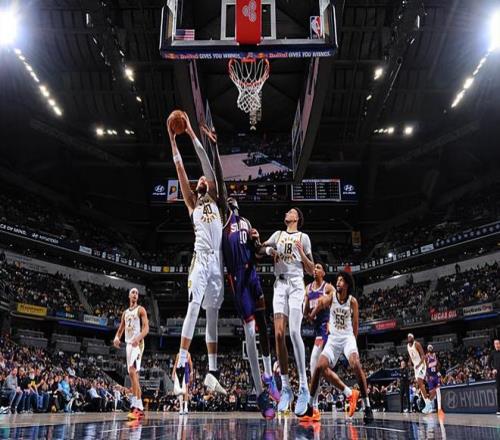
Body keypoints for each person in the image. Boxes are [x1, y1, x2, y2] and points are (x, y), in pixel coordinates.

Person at [201, 123, 277, 419]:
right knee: (250, 335)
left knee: (264, 323)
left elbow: (256, 251)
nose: (231, 199)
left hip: (253, 274)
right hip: (238, 279)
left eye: (233, 199)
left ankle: (270, 375)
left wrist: (264, 247)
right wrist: (215, 147)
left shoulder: (246, 223)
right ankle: (260, 394)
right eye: (227, 198)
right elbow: (220, 182)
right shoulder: (224, 219)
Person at [167, 112, 226, 396]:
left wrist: (191, 132)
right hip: (200, 259)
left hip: (218, 261)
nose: (201, 178)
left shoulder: (216, 198)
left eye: (204, 178)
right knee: (194, 306)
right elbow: (180, 169)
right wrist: (172, 140)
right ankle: (180, 366)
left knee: (213, 313)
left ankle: (212, 373)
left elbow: (205, 162)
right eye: (199, 179)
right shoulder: (192, 203)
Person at [259, 207, 314, 416]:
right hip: (280, 285)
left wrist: (302, 254)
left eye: (291, 212)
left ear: (297, 218)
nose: (287, 213)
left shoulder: (303, 237)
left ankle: (303, 386)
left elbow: (311, 269)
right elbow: (259, 249)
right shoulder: (278, 235)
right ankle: (286, 388)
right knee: (279, 334)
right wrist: (269, 251)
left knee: (294, 332)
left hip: (297, 284)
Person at [303, 271, 371, 423]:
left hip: (347, 338)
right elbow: (322, 302)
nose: (338, 282)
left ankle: (367, 407)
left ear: (346, 284)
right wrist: (313, 312)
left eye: (341, 280)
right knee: (319, 367)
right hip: (333, 339)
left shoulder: (353, 302)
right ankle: (309, 406)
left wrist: (353, 345)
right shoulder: (332, 297)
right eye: (337, 280)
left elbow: (355, 325)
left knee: (356, 364)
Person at [113, 287, 149, 420]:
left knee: (133, 371)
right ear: (129, 296)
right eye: (133, 292)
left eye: (137, 293)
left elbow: (146, 328)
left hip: (138, 344)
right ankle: (139, 408)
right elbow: (120, 329)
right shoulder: (125, 313)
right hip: (129, 345)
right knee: (133, 375)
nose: (135, 294)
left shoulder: (141, 310)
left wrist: (138, 338)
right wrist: (116, 338)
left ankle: (136, 406)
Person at [407, 333, 432, 414]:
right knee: (420, 385)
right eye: (408, 337)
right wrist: (409, 362)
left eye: (410, 337)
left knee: (420, 382)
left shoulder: (417, 344)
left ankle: (428, 404)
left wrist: (419, 364)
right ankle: (428, 404)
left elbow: (423, 355)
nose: (409, 338)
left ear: (413, 338)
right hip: (416, 367)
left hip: (421, 365)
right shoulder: (408, 346)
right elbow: (410, 355)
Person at [172, 351, 193, 416]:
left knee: (186, 388)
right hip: (179, 370)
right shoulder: (178, 354)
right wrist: (173, 373)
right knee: (180, 390)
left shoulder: (188, 354)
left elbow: (190, 363)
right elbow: (175, 364)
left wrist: (191, 372)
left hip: (186, 370)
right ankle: (181, 408)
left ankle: (186, 408)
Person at [426, 345, 443, 415]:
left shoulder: (435, 355)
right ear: (427, 349)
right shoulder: (426, 356)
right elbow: (425, 367)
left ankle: (439, 408)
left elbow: (438, 365)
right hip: (430, 376)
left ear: (432, 349)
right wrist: (428, 376)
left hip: (435, 375)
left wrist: (438, 372)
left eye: (431, 348)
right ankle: (430, 407)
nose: (430, 348)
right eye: (429, 348)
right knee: (432, 392)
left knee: (438, 391)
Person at [488, 339, 500, 415]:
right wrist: (492, 369)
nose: (497, 345)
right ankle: (499, 409)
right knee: (499, 392)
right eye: (496, 344)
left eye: (498, 343)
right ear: (494, 345)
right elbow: (488, 362)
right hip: (498, 375)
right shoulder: (493, 353)